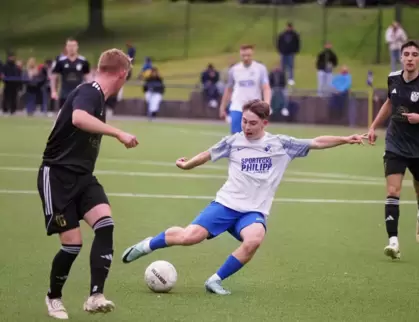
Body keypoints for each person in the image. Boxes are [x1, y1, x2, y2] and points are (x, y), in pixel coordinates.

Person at [122, 99, 366, 295]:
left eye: (252, 123)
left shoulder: (282, 144)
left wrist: (345, 139)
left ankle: (214, 281)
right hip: (226, 204)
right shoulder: (233, 141)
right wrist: (188, 165)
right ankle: (147, 245)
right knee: (188, 237)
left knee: (254, 239)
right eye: (243, 122)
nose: (246, 127)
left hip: (252, 211)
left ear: (264, 123)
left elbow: (316, 142)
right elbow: (209, 153)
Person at [37, 48, 138, 319]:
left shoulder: (99, 99)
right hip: (57, 176)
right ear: (121, 74)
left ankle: (95, 295)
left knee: (105, 224)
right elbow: (78, 118)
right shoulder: (90, 91)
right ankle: (53, 297)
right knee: (72, 245)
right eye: (127, 76)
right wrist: (118, 132)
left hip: (83, 178)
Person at [367, 40, 419, 260]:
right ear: (401, 57)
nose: (410, 58)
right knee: (393, 191)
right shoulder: (393, 78)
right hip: (394, 144)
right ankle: (393, 242)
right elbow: (388, 103)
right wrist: (374, 126)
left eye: (415, 54)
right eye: (406, 54)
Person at [219, 44, 271, 134]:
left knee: (254, 136)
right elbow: (229, 89)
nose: (246, 58)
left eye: (248, 55)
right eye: (243, 56)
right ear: (240, 55)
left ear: (252, 54)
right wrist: (222, 107)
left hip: (255, 109)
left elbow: (266, 88)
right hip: (237, 106)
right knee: (236, 137)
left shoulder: (260, 69)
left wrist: (266, 105)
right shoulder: (234, 70)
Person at [51, 38, 91, 111]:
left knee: (77, 116)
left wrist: (89, 90)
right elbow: (54, 77)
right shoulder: (61, 61)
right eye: (69, 46)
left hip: (79, 94)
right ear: (66, 47)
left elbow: (88, 77)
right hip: (64, 94)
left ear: (77, 47)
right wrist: (53, 91)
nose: (71, 48)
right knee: (63, 117)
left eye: (73, 46)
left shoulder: (83, 61)